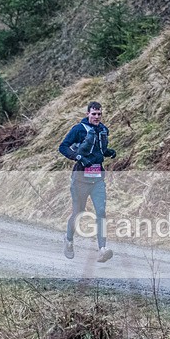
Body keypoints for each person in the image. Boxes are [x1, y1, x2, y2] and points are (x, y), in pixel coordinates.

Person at [58, 101, 117, 263]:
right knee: (78, 213)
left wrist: (108, 152)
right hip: (80, 180)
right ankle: (69, 240)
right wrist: (78, 157)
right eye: (94, 114)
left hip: (98, 179)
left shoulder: (104, 130)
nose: (97, 117)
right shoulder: (78, 129)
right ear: (87, 114)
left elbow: (100, 150)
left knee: (101, 212)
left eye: (99, 114)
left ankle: (102, 249)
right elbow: (63, 147)